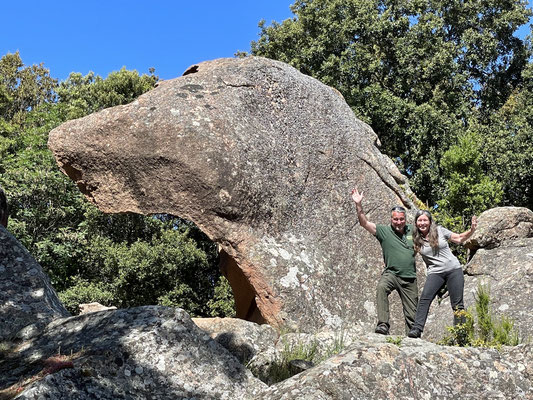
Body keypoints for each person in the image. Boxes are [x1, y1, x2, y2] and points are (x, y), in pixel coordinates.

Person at [351, 187, 417, 335]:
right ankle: (383, 325)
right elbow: (364, 223)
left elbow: (429, 233)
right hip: (391, 274)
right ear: (391, 219)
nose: (398, 222)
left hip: (409, 277)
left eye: (401, 219)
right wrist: (358, 205)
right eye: (395, 219)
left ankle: (413, 338)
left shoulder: (412, 230)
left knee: (413, 314)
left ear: (405, 219)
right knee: (381, 287)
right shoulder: (384, 231)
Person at [407, 210, 477, 338]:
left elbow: (459, 238)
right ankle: (416, 329)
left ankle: (461, 334)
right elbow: (404, 248)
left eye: (425, 220)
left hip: (453, 270)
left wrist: (471, 230)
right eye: (420, 220)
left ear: (430, 221)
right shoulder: (415, 238)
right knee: (425, 299)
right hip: (435, 272)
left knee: (457, 304)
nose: (422, 223)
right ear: (416, 223)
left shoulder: (439, 231)